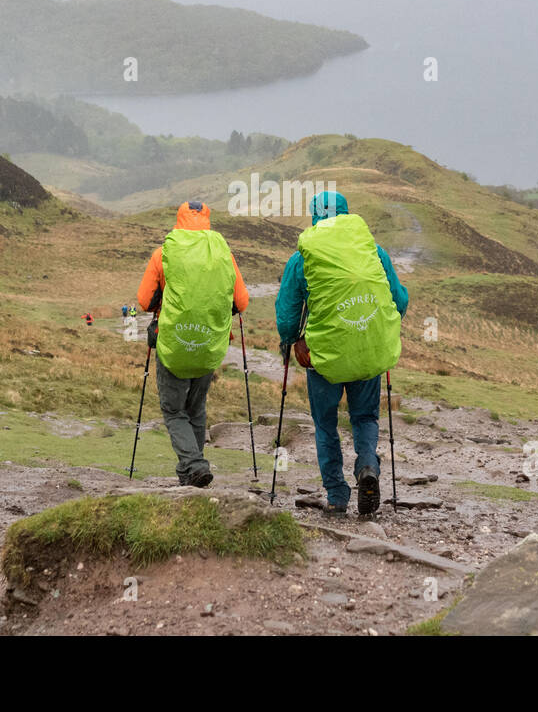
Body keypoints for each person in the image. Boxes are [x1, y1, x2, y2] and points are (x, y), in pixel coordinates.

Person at [275, 191, 408, 515]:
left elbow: (287, 313)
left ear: (314, 217)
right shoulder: (373, 252)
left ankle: (336, 495)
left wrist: (292, 340)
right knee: (364, 417)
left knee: (325, 423)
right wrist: (378, 326)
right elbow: (399, 301)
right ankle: (367, 467)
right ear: (348, 214)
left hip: (324, 357)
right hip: (367, 350)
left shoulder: (302, 258)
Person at [137, 201, 250, 487]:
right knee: (196, 409)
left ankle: (195, 464)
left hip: (174, 342)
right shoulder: (224, 255)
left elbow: (144, 300)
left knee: (174, 411)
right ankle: (192, 473)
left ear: (178, 221)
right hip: (209, 345)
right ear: (207, 221)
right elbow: (241, 302)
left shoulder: (163, 253)